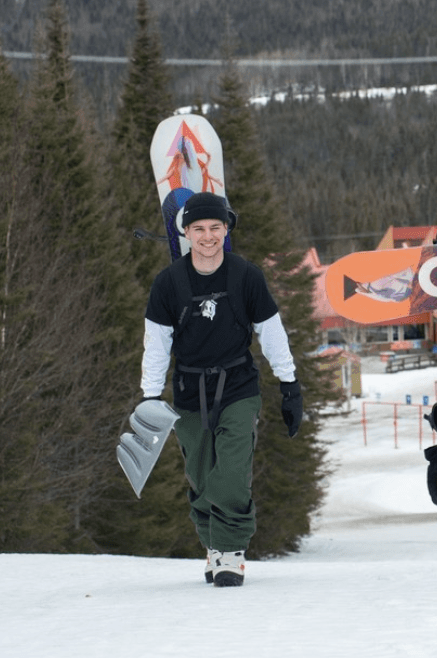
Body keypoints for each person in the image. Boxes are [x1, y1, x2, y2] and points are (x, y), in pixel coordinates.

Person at [139, 192, 303, 588]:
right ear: (186, 233)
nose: (208, 236)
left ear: (226, 229)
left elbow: (272, 332)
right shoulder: (168, 283)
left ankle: (230, 551)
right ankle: (213, 545)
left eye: (215, 228)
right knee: (199, 476)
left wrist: (289, 384)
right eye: (199, 229)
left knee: (230, 472)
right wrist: (149, 397)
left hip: (238, 387)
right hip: (188, 390)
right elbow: (156, 343)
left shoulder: (246, 276)